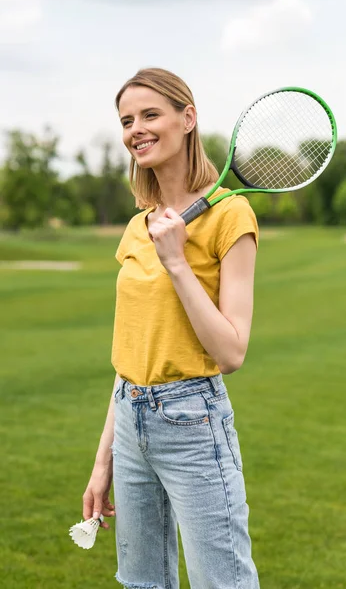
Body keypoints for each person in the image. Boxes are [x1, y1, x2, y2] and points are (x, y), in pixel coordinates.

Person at [83, 67, 260, 589]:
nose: (135, 128)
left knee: (221, 582)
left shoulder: (231, 215)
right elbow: (130, 355)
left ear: (188, 119)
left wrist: (177, 263)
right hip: (130, 417)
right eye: (126, 120)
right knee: (140, 583)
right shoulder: (140, 225)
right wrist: (103, 462)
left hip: (193, 421)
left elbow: (231, 351)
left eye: (150, 114)